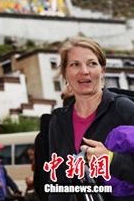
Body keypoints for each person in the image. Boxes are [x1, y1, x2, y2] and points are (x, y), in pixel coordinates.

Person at [46, 37, 134, 200]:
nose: (84, 71)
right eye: (75, 64)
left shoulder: (123, 109)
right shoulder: (58, 122)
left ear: (103, 70)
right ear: (65, 73)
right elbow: (58, 184)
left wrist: (110, 159)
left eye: (92, 63)